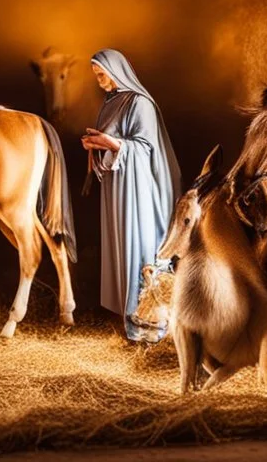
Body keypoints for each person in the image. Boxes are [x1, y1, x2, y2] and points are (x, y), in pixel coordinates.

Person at [81, 49, 180, 342]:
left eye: (102, 74)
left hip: (139, 192)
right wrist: (97, 145)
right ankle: (127, 318)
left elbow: (146, 149)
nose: (99, 81)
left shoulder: (140, 103)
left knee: (139, 246)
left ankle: (150, 326)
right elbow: (116, 144)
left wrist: (111, 143)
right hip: (118, 188)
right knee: (120, 248)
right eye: (96, 76)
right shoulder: (111, 103)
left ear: (118, 71)